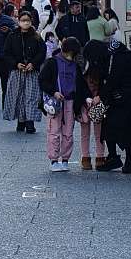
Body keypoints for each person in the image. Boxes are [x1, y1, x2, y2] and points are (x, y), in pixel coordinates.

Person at [84, 40, 131, 174]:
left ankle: (128, 162)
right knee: (109, 124)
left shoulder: (116, 56)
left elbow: (114, 79)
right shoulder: (112, 55)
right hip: (120, 96)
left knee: (128, 128)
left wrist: (99, 97)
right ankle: (115, 158)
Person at [38, 38, 90, 172]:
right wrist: (54, 92)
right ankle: (54, 160)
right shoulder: (52, 62)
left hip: (70, 102)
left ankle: (65, 159)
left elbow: (81, 84)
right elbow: (42, 80)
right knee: (54, 132)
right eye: (70, 52)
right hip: (55, 103)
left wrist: (88, 96)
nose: (70, 55)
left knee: (68, 133)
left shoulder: (75, 66)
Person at [1, 12, 46, 134]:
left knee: (31, 96)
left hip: (31, 71)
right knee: (18, 95)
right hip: (17, 70)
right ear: (19, 21)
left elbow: (42, 51)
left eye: (27, 20)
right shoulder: (13, 35)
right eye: (23, 20)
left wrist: (34, 63)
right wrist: (15, 64)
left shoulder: (36, 35)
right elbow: (7, 52)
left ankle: (30, 122)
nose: (25, 22)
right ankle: (20, 121)